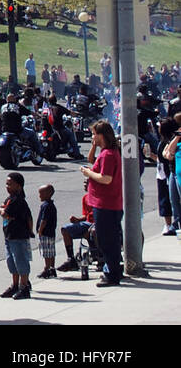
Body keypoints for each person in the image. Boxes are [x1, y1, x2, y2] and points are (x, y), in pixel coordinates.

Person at [79, 121, 123, 287]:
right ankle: (113, 270)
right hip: (105, 203)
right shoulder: (106, 152)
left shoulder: (108, 155)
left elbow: (106, 178)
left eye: (94, 134)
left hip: (106, 204)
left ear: (101, 135)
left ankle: (111, 273)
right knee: (108, 240)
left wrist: (88, 172)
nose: (92, 137)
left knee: (107, 241)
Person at [0, 172, 34, 299]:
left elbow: (5, 213)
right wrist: (2, 210)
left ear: (19, 186)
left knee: (21, 261)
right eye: (6, 184)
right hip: (9, 236)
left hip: (19, 236)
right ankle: (15, 285)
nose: (7, 186)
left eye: (10, 184)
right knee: (11, 262)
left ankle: (24, 287)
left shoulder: (18, 201)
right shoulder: (10, 199)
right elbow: (3, 210)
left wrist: (1, 210)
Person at [56, 189, 96, 271]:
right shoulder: (85, 197)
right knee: (65, 229)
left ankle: (99, 257)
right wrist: (77, 219)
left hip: (98, 223)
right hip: (87, 223)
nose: (85, 184)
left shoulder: (100, 196)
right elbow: (86, 216)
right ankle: (71, 260)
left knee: (93, 231)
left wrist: (90, 228)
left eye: (87, 182)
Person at [35, 184, 58, 278]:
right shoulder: (50, 205)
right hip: (51, 232)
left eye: (41, 193)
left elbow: (44, 220)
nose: (39, 195)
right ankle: (52, 268)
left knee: (46, 252)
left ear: (48, 194)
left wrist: (40, 230)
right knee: (51, 251)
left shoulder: (46, 206)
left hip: (45, 233)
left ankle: (47, 269)